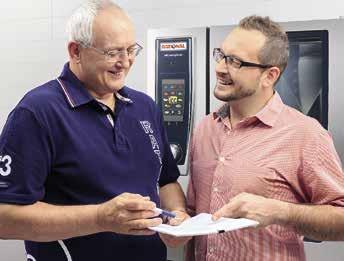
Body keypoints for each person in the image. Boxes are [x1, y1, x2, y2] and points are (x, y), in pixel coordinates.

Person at [0, 1, 189, 260]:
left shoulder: (145, 107)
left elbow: (166, 180)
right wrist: (100, 218)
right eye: (112, 52)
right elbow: (5, 218)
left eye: (131, 50)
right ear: (76, 51)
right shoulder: (36, 113)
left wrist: (177, 213)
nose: (125, 62)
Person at [186, 15, 344, 261]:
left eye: (235, 62)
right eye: (221, 55)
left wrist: (281, 211)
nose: (219, 68)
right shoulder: (205, 128)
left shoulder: (305, 135)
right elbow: (194, 213)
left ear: (269, 76)